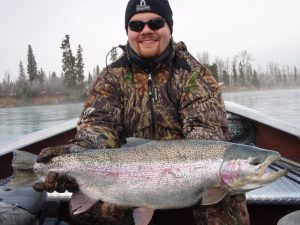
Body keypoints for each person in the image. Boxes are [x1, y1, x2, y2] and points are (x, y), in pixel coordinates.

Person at [36, 0, 250, 224]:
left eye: (155, 23)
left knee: (226, 197)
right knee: (92, 210)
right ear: (128, 31)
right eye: (136, 26)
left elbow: (207, 135)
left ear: (169, 27)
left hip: (187, 176)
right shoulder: (111, 77)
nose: (146, 30)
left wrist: (183, 175)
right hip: (127, 174)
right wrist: (74, 155)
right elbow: (99, 128)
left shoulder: (194, 75)